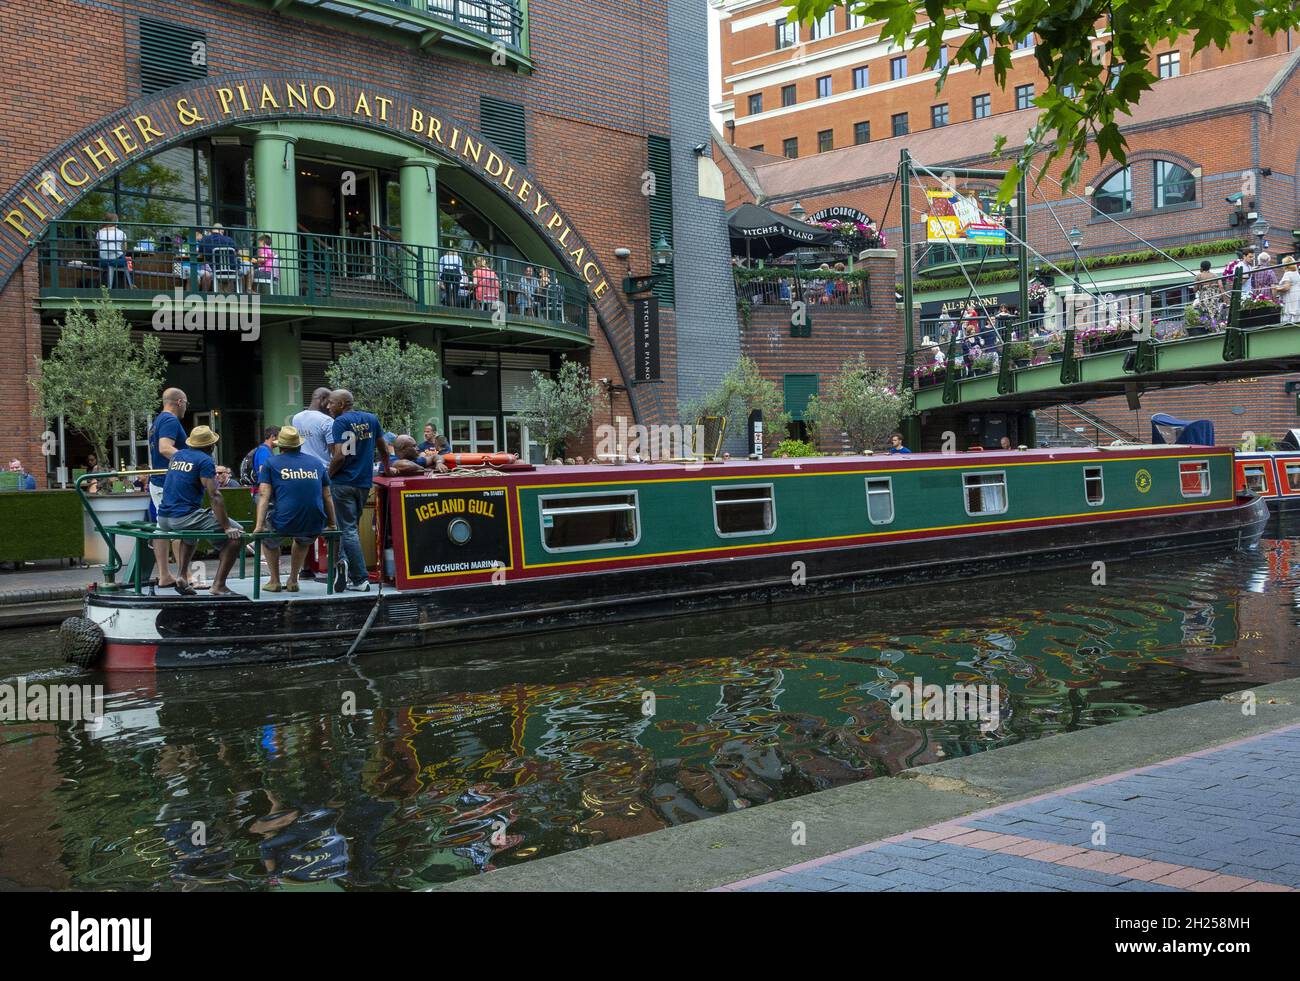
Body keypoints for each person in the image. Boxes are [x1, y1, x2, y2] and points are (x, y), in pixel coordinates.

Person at [155, 425, 242, 596]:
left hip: (163, 517)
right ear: (210, 446)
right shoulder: (205, 460)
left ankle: (181, 576)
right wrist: (226, 527)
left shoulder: (178, 455)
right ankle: (219, 585)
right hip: (183, 516)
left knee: (191, 534)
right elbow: (215, 495)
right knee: (237, 534)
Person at [253, 426, 337, 593]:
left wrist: (259, 526)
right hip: (314, 522)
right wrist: (332, 524)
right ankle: (293, 579)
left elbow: (263, 495)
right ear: (299, 445)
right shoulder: (316, 463)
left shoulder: (272, 462)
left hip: (284, 521)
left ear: (281, 447)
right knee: (303, 538)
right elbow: (327, 496)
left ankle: (275, 580)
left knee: (268, 541)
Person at [327, 389, 391, 592]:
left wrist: (328, 475)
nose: (328, 407)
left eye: (331, 403)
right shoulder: (371, 419)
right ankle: (344, 565)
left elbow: (340, 456)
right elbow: (383, 448)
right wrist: (387, 468)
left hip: (343, 482)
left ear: (343, 404)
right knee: (351, 528)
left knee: (348, 529)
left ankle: (360, 579)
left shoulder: (340, 422)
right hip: (363, 483)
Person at [290, 387, 337, 582]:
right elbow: (335, 453)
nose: (331, 406)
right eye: (331, 401)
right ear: (324, 399)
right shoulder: (328, 421)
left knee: (303, 522)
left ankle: (306, 568)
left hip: (300, 474)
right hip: (323, 473)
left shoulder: (296, 418)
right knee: (331, 523)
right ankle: (332, 569)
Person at [148, 388, 188, 589]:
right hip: (167, 482)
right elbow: (165, 448)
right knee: (178, 527)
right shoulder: (171, 421)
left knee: (161, 527)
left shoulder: (156, 422)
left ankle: (165, 575)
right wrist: (190, 462)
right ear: (179, 402)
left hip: (157, 480)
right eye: (186, 404)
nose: (186, 409)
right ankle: (184, 577)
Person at [197, 224, 239, 291]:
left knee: (206, 268)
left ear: (212, 230)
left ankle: (210, 293)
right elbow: (236, 252)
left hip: (213, 268)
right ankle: (230, 294)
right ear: (221, 231)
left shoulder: (205, 239)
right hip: (230, 270)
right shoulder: (229, 240)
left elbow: (200, 255)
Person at [96, 213, 132, 288]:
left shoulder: (99, 232)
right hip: (116, 260)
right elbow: (124, 249)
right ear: (116, 221)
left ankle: (107, 286)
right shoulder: (121, 233)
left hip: (103, 261)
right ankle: (131, 284)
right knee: (128, 261)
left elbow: (99, 247)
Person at [1278, 255, 1300, 323]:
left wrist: (1277, 289)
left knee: (1290, 310)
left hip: (1290, 295)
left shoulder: (1287, 274)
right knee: (1296, 310)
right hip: (1297, 293)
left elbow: (1287, 287)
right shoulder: (1296, 273)